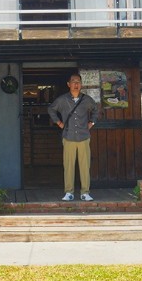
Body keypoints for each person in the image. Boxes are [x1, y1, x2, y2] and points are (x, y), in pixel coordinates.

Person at [47, 72, 100, 201]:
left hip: (83, 136)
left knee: (84, 166)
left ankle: (85, 192)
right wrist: (59, 122)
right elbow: (51, 109)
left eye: (78, 82)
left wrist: (92, 122)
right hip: (68, 136)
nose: (76, 84)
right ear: (68, 84)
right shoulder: (62, 99)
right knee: (68, 165)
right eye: (73, 82)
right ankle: (69, 192)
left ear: (81, 84)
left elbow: (96, 110)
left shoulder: (87, 100)